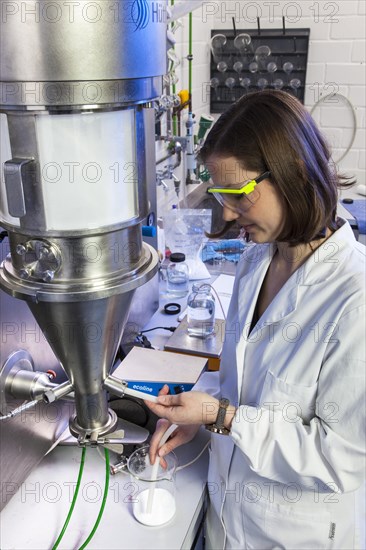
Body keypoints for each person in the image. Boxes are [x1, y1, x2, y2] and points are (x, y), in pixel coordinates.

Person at [145, 90, 366, 549]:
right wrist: (204, 416)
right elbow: (244, 389)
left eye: (238, 194)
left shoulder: (354, 298)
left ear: (292, 173)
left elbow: (340, 458)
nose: (226, 212)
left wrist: (222, 417)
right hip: (224, 515)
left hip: (289, 535)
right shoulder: (257, 260)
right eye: (219, 194)